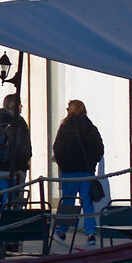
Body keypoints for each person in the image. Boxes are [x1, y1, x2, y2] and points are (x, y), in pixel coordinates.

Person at [52, 98, 105, 243]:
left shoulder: (65, 127)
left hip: (70, 171)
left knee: (68, 201)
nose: (67, 110)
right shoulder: (90, 128)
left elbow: (58, 148)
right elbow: (99, 148)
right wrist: (92, 163)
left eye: (68, 108)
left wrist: (63, 163)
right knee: (87, 201)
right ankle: (90, 232)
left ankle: (62, 230)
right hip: (87, 171)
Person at [0, 91, 32, 203]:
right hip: (15, 169)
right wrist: (23, 166)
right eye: (20, 104)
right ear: (15, 105)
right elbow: (24, 148)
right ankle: (13, 220)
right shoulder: (19, 122)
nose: (21, 106)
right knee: (14, 202)